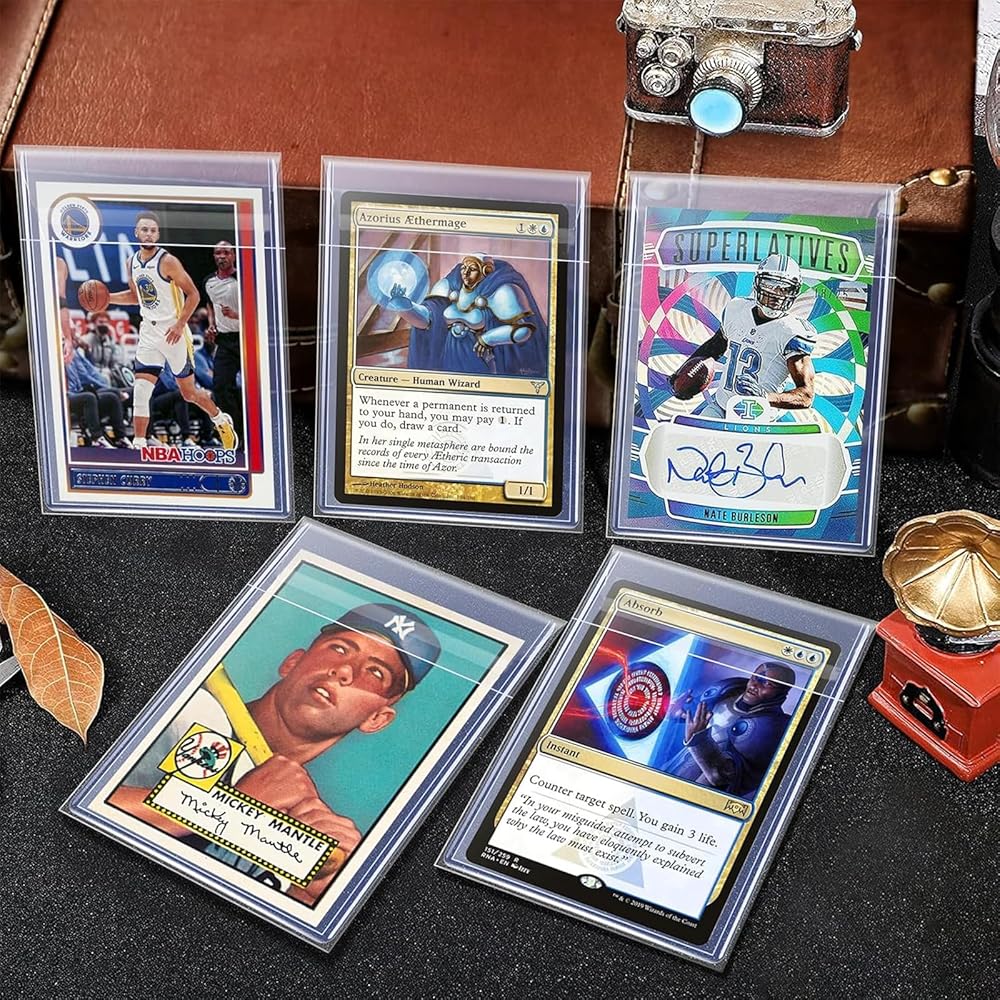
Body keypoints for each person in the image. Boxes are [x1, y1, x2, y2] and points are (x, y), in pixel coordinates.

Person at [109, 602, 441, 904]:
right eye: (340, 648)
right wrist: (230, 808)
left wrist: (315, 895)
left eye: (375, 672)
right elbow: (93, 802)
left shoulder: (306, 822)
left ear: (377, 719)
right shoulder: (191, 711)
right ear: (292, 662)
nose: (344, 671)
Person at [105, 211, 238, 453]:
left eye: (153, 230)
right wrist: (107, 299)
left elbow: (194, 294)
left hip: (173, 332)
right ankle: (139, 445)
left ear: (157, 234)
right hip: (149, 331)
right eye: (144, 229)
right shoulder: (131, 262)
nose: (148, 234)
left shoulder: (168, 261)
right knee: (141, 390)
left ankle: (220, 419)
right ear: (136, 233)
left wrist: (179, 324)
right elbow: (136, 297)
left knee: (188, 393)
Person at [674, 255, 817, 419]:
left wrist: (765, 397)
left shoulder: (792, 332)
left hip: (759, 416)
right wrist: (682, 374)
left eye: (785, 289)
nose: (777, 294)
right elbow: (715, 346)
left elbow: (806, 395)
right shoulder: (737, 309)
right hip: (721, 407)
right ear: (758, 284)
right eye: (770, 285)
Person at [385, 252, 548, 376]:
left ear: (486, 271)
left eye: (472, 269)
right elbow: (427, 320)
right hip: (449, 357)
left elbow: (523, 331)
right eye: (464, 268)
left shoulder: (501, 290)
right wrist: (405, 306)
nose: (465, 272)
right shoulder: (451, 285)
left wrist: (488, 338)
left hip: (482, 361)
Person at [667, 661, 798, 798]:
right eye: (755, 677)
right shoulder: (729, 689)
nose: (754, 685)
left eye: (767, 684)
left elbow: (723, 775)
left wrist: (698, 740)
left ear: (782, 693)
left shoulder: (770, 729)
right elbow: (696, 713)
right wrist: (678, 712)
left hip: (699, 794)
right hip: (676, 768)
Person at [203, 240, 243, 441]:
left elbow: (260, 309)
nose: (222, 256)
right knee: (220, 386)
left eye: (226, 253)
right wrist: (212, 325)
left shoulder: (243, 278)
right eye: (218, 253)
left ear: (233, 255)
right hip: (225, 341)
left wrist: (237, 315)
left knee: (254, 388)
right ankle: (237, 433)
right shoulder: (208, 281)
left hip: (248, 338)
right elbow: (210, 305)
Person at [64, 339, 132, 448]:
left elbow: (90, 370)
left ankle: (120, 437)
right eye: (73, 335)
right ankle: (96, 438)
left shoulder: (75, 354)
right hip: (65, 396)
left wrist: (88, 352)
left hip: (79, 391)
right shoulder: (58, 357)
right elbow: (85, 377)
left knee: (112, 397)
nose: (76, 337)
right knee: (90, 397)